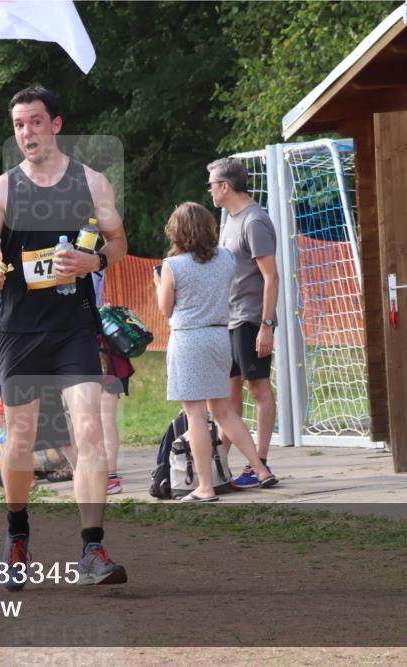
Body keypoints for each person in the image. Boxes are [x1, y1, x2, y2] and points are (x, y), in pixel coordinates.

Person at [0, 85, 129, 589]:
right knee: (19, 441)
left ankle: (92, 549)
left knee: (88, 434)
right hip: (19, 328)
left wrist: (94, 261)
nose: (27, 133)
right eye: (19, 125)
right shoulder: (2, 189)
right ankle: (17, 536)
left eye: (36, 122)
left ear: (56, 124)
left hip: (73, 328)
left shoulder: (91, 182)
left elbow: (119, 241)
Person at [155, 203, 277, 501]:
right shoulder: (226, 259)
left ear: (177, 232)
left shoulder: (174, 266)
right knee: (223, 410)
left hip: (189, 340)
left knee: (195, 415)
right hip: (219, 336)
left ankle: (205, 486)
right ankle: (261, 469)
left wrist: (159, 284)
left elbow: (165, 309)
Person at [207, 157, 280, 488]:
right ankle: (220, 462)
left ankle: (259, 463)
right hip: (230, 319)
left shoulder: (254, 221)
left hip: (251, 318)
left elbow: (271, 277)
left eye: (211, 184)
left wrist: (267, 324)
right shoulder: (230, 220)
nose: (209, 190)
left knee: (258, 388)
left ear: (225, 186)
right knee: (229, 393)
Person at [91, 269, 132, 495]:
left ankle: (110, 475)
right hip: (93, 343)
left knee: (104, 417)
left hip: (98, 345)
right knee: (97, 417)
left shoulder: (88, 258)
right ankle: (105, 473)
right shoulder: (93, 257)